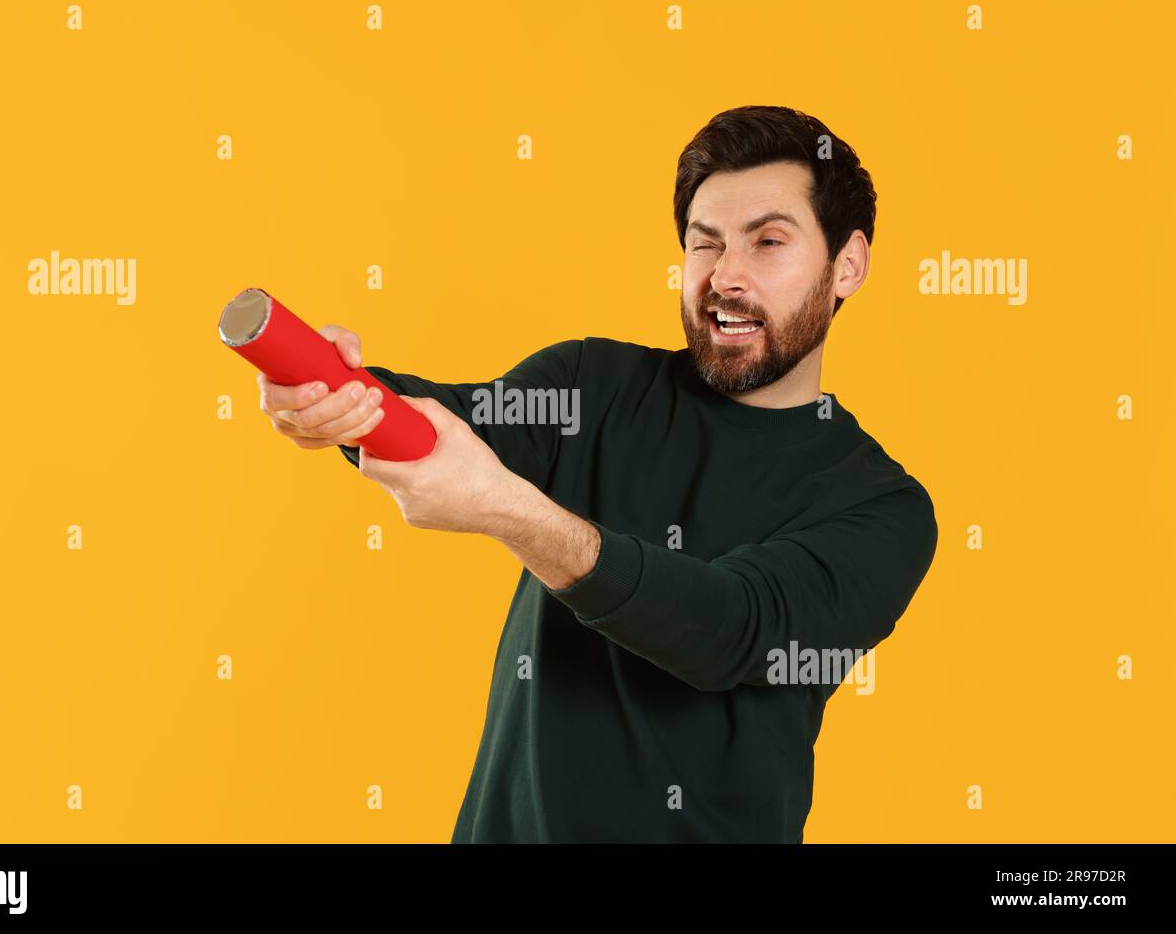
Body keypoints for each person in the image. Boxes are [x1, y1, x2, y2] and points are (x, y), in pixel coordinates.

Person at [255, 105, 939, 842]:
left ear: (848, 264)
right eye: (703, 245)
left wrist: (513, 512)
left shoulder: (883, 509)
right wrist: (322, 385)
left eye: (768, 241)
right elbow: (445, 426)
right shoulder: (594, 385)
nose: (725, 277)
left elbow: (731, 629)